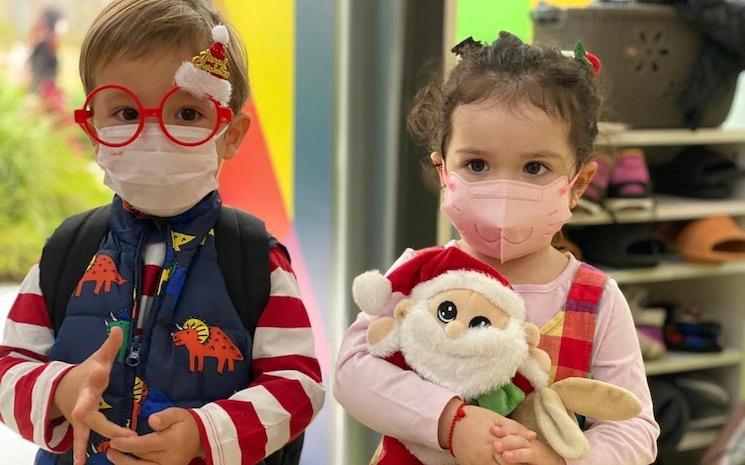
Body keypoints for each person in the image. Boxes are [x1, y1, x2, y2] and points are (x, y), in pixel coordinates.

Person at [0, 1, 324, 465]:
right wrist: (59, 390)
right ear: (92, 129)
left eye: (187, 113)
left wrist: (205, 435)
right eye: (125, 112)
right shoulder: (69, 250)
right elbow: (9, 366)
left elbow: (297, 385)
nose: (153, 133)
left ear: (231, 134)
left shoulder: (255, 259)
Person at [334, 32, 659, 465]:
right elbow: (352, 369)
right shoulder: (420, 273)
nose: (503, 189)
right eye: (477, 165)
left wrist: (558, 460)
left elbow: (634, 427)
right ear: (443, 170)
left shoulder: (596, 299)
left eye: (534, 167)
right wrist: (450, 421)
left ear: (579, 183)